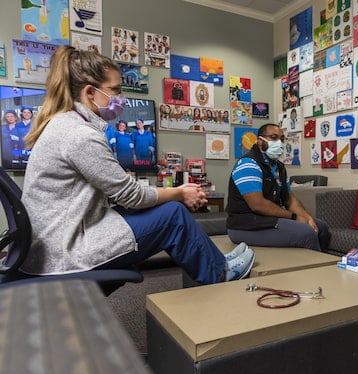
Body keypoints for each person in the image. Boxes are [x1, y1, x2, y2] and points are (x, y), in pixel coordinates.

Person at [20, 45, 254, 284]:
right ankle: (219, 272)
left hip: (57, 240)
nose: (121, 98)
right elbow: (130, 195)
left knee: (150, 209)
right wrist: (179, 193)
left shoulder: (67, 124)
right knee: (172, 216)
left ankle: (215, 261)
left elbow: (118, 194)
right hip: (63, 251)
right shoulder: (78, 134)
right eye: (115, 90)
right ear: (90, 92)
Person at [226, 123, 331, 251]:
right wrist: (294, 217)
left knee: (321, 227)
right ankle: (315, 269)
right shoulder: (248, 164)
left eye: (281, 139)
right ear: (260, 141)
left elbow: (289, 199)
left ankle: (323, 264)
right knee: (306, 233)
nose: (279, 143)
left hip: (269, 221)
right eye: (273, 137)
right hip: (245, 226)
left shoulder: (278, 167)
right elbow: (258, 205)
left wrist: (307, 217)